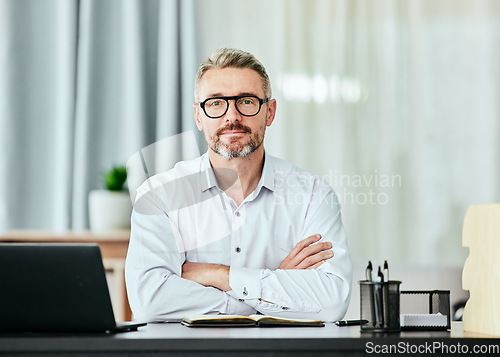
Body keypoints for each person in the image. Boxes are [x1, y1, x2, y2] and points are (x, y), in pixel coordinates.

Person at [125, 48, 352, 322]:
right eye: (216, 103)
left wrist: (220, 275)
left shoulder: (314, 196)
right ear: (198, 116)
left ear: (269, 112)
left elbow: (331, 301)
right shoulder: (159, 196)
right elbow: (150, 302)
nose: (232, 116)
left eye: (246, 101)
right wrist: (268, 293)